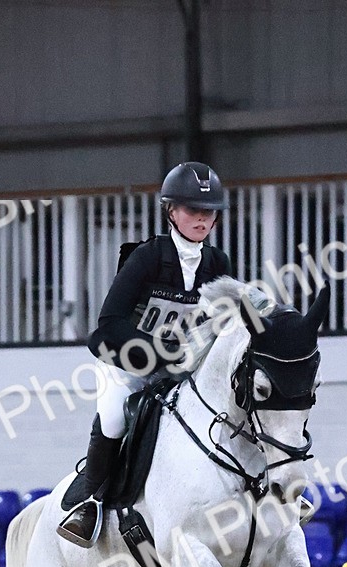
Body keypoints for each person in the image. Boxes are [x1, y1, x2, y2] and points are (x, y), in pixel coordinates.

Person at [57, 161, 233, 547]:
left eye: (209, 212)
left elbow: (226, 323)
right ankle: (90, 503)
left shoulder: (217, 264)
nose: (202, 219)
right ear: (171, 211)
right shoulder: (147, 258)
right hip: (130, 362)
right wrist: (160, 352)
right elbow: (108, 324)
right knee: (114, 416)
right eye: (193, 210)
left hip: (183, 369)